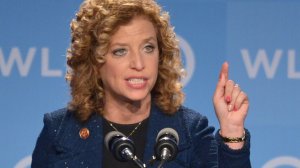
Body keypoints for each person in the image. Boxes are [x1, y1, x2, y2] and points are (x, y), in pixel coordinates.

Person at [32, 0, 251, 167]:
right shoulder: (60, 130)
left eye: (148, 48)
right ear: (95, 61)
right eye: (120, 51)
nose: (139, 64)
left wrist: (232, 132)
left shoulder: (188, 130)